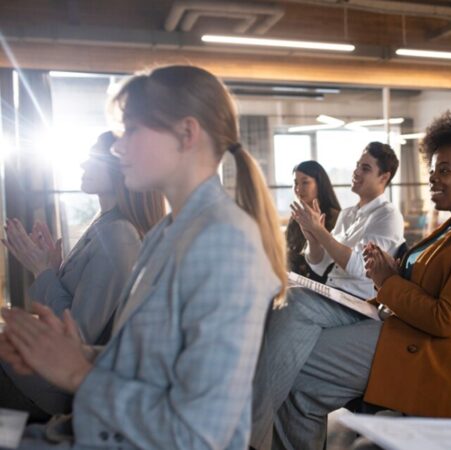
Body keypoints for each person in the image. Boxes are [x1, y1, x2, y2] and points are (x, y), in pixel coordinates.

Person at [0, 65, 286, 449]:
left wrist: (78, 373)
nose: (119, 148)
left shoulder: (225, 243)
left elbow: (200, 433)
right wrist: (73, 352)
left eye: (131, 131)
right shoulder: (167, 232)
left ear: (186, 134)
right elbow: (152, 363)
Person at [251, 111, 451, 450]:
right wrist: (392, 271)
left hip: (429, 355)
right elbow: (418, 285)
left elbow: (446, 319)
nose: (434, 179)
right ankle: (249, 431)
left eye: (445, 171)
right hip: (395, 327)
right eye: (433, 170)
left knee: (298, 371)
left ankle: (244, 434)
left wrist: (387, 279)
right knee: (298, 367)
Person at [0, 131, 165, 421]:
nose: (82, 165)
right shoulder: (105, 225)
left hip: (53, 387)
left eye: (92, 157)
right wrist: (55, 269)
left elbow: (77, 337)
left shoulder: (118, 236)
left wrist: (43, 271)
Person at [289, 141, 404, 300]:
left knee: (289, 301)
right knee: (283, 297)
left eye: (365, 169)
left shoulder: (388, 215)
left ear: (384, 177)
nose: (356, 172)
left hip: (358, 302)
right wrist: (313, 240)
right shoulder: (347, 214)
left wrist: (319, 232)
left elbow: (359, 267)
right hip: (334, 293)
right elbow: (320, 266)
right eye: (357, 166)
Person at [286, 160, 340, 283]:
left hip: (323, 285)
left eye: (305, 182)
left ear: (320, 184)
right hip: (295, 282)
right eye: (295, 183)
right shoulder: (295, 217)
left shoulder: (334, 217)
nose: (298, 188)